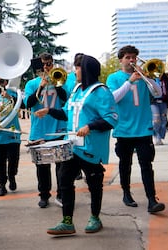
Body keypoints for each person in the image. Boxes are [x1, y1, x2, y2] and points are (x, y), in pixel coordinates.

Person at [46, 54, 118, 235]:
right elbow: (67, 112)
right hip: (73, 146)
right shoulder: (77, 89)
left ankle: (95, 217)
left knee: (94, 183)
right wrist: (49, 111)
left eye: (78, 68)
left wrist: (89, 126)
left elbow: (112, 119)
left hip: (90, 148)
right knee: (64, 180)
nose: (75, 71)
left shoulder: (101, 91)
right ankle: (67, 221)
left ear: (85, 70)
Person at [106, 45, 165, 213]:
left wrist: (149, 77)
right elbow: (113, 98)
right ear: (121, 60)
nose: (132, 60)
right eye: (128, 57)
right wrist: (130, 81)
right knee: (125, 164)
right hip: (123, 129)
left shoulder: (144, 77)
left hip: (144, 129)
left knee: (146, 164)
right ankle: (126, 193)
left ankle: (152, 200)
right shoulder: (114, 78)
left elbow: (158, 93)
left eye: (134, 57)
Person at [24, 52, 67, 208]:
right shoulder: (31, 84)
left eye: (49, 64)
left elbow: (66, 99)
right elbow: (28, 103)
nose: (46, 67)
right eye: (43, 64)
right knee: (42, 167)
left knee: (61, 166)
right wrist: (41, 86)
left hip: (58, 129)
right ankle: (44, 195)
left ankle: (61, 194)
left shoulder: (60, 80)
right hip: (39, 130)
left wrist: (55, 84)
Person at [0, 77, 21, 196]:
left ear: (6, 83)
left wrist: (9, 97)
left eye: (1, 81)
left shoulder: (13, 93)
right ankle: (2, 184)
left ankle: (12, 176)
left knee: (13, 159)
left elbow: (22, 106)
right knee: (0, 161)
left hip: (13, 132)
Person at [150, 72, 168, 145]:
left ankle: (160, 137)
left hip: (163, 102)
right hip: (153, 102)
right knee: (156, 120)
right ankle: (155, 136)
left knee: (163, 121)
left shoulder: (165, 80)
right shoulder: (150, 79)